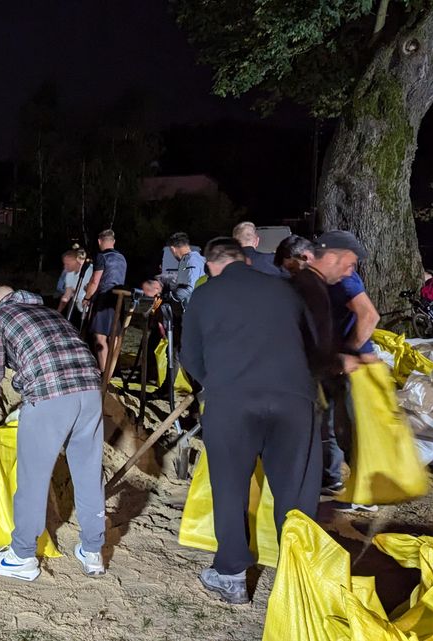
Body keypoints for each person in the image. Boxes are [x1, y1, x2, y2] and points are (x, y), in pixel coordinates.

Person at [179, 238, 321, 605]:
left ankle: (231, 574)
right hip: (293, 399)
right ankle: (300, 579)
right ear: (246, 259)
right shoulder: (284, 290)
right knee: (295, 492)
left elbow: (189, 354)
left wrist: (218, 382)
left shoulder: (205, 296)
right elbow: (314, 344)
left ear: (210, 265)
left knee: (230, 487)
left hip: (232, 401)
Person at [0, 284, 107, 582]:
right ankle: (93, 551)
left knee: (32, 478)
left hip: (49, 397)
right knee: (88, 472)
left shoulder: (0, 318)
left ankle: (21, 556)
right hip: (91, 392)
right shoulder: (49, 313)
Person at [289, 231, 376, 505]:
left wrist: (349, 353)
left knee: (348, 426)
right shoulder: (316, 282)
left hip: (349, 364)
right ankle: (332, 479)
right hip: (330, 361)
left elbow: (369, 315)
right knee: (328, 424)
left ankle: (365, 491)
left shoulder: (344, 278)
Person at [81, 230, 128, 367]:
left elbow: (95, 280)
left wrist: (87, 297)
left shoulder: (102, 257)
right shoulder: (122, 258)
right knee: (113, 336)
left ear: (100, 241)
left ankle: (103, 371)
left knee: (99, 335)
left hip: (104, 298)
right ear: (113, 242)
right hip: (119, 299)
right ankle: (111, 370)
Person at [166, 232, 205, 308]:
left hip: (196, 311)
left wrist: (170, 296)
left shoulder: (191, 261)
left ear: (173, 249)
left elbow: (189, 288)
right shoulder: (195, 259)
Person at [57, 247, 93, 323]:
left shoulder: (89, 272)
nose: (65, 267)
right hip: (78, 308)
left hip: (90, 311)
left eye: (68, 264)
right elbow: (67, 295)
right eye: (64, 264)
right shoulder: (70, 273)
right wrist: (57, 313)